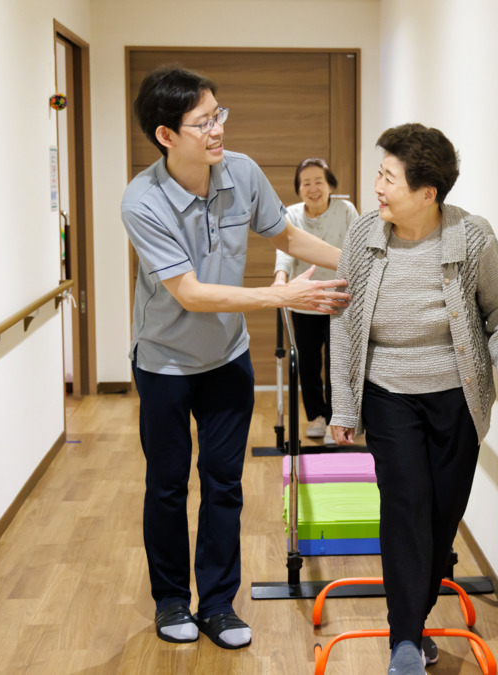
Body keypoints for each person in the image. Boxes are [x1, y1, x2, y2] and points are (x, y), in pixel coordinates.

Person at [122, 66, 350, 649]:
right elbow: (191, 293)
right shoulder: (142, 201)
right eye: (203, 122)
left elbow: (288, 238)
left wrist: (360, 260)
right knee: (169, 486)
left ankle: (219, 604)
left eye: (218, 114)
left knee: (224, 484)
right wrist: (282, 294)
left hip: (228, 359)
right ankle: (172, 599)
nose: (218, 128)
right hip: (166, 365)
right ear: (166, 135)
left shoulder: (242, 172)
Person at [328, 123, 498, 674]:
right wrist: (345, 407)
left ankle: (413, 627)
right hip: (388, 393)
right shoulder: (364, 235)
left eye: (388, 177)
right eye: (380, 172)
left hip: (457, 398)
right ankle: (403, 642)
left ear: (428, 192)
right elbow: (345, 325)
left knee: (442, 517)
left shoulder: (471, 238)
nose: (377, 186)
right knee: (405, 508)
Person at [272, 158, 359, 443]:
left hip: (339, 301)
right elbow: (285, 250)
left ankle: (338, 418)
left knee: (339, 363)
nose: (312, 188)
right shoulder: (292, 214)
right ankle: (317, 417)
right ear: (298, 189)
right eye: (305, 183)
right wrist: (280, 279)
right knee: (308, 365)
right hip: (306, 301)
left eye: (318, 182)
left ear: (331, 185)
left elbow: (357, 247)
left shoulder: (345, 210)